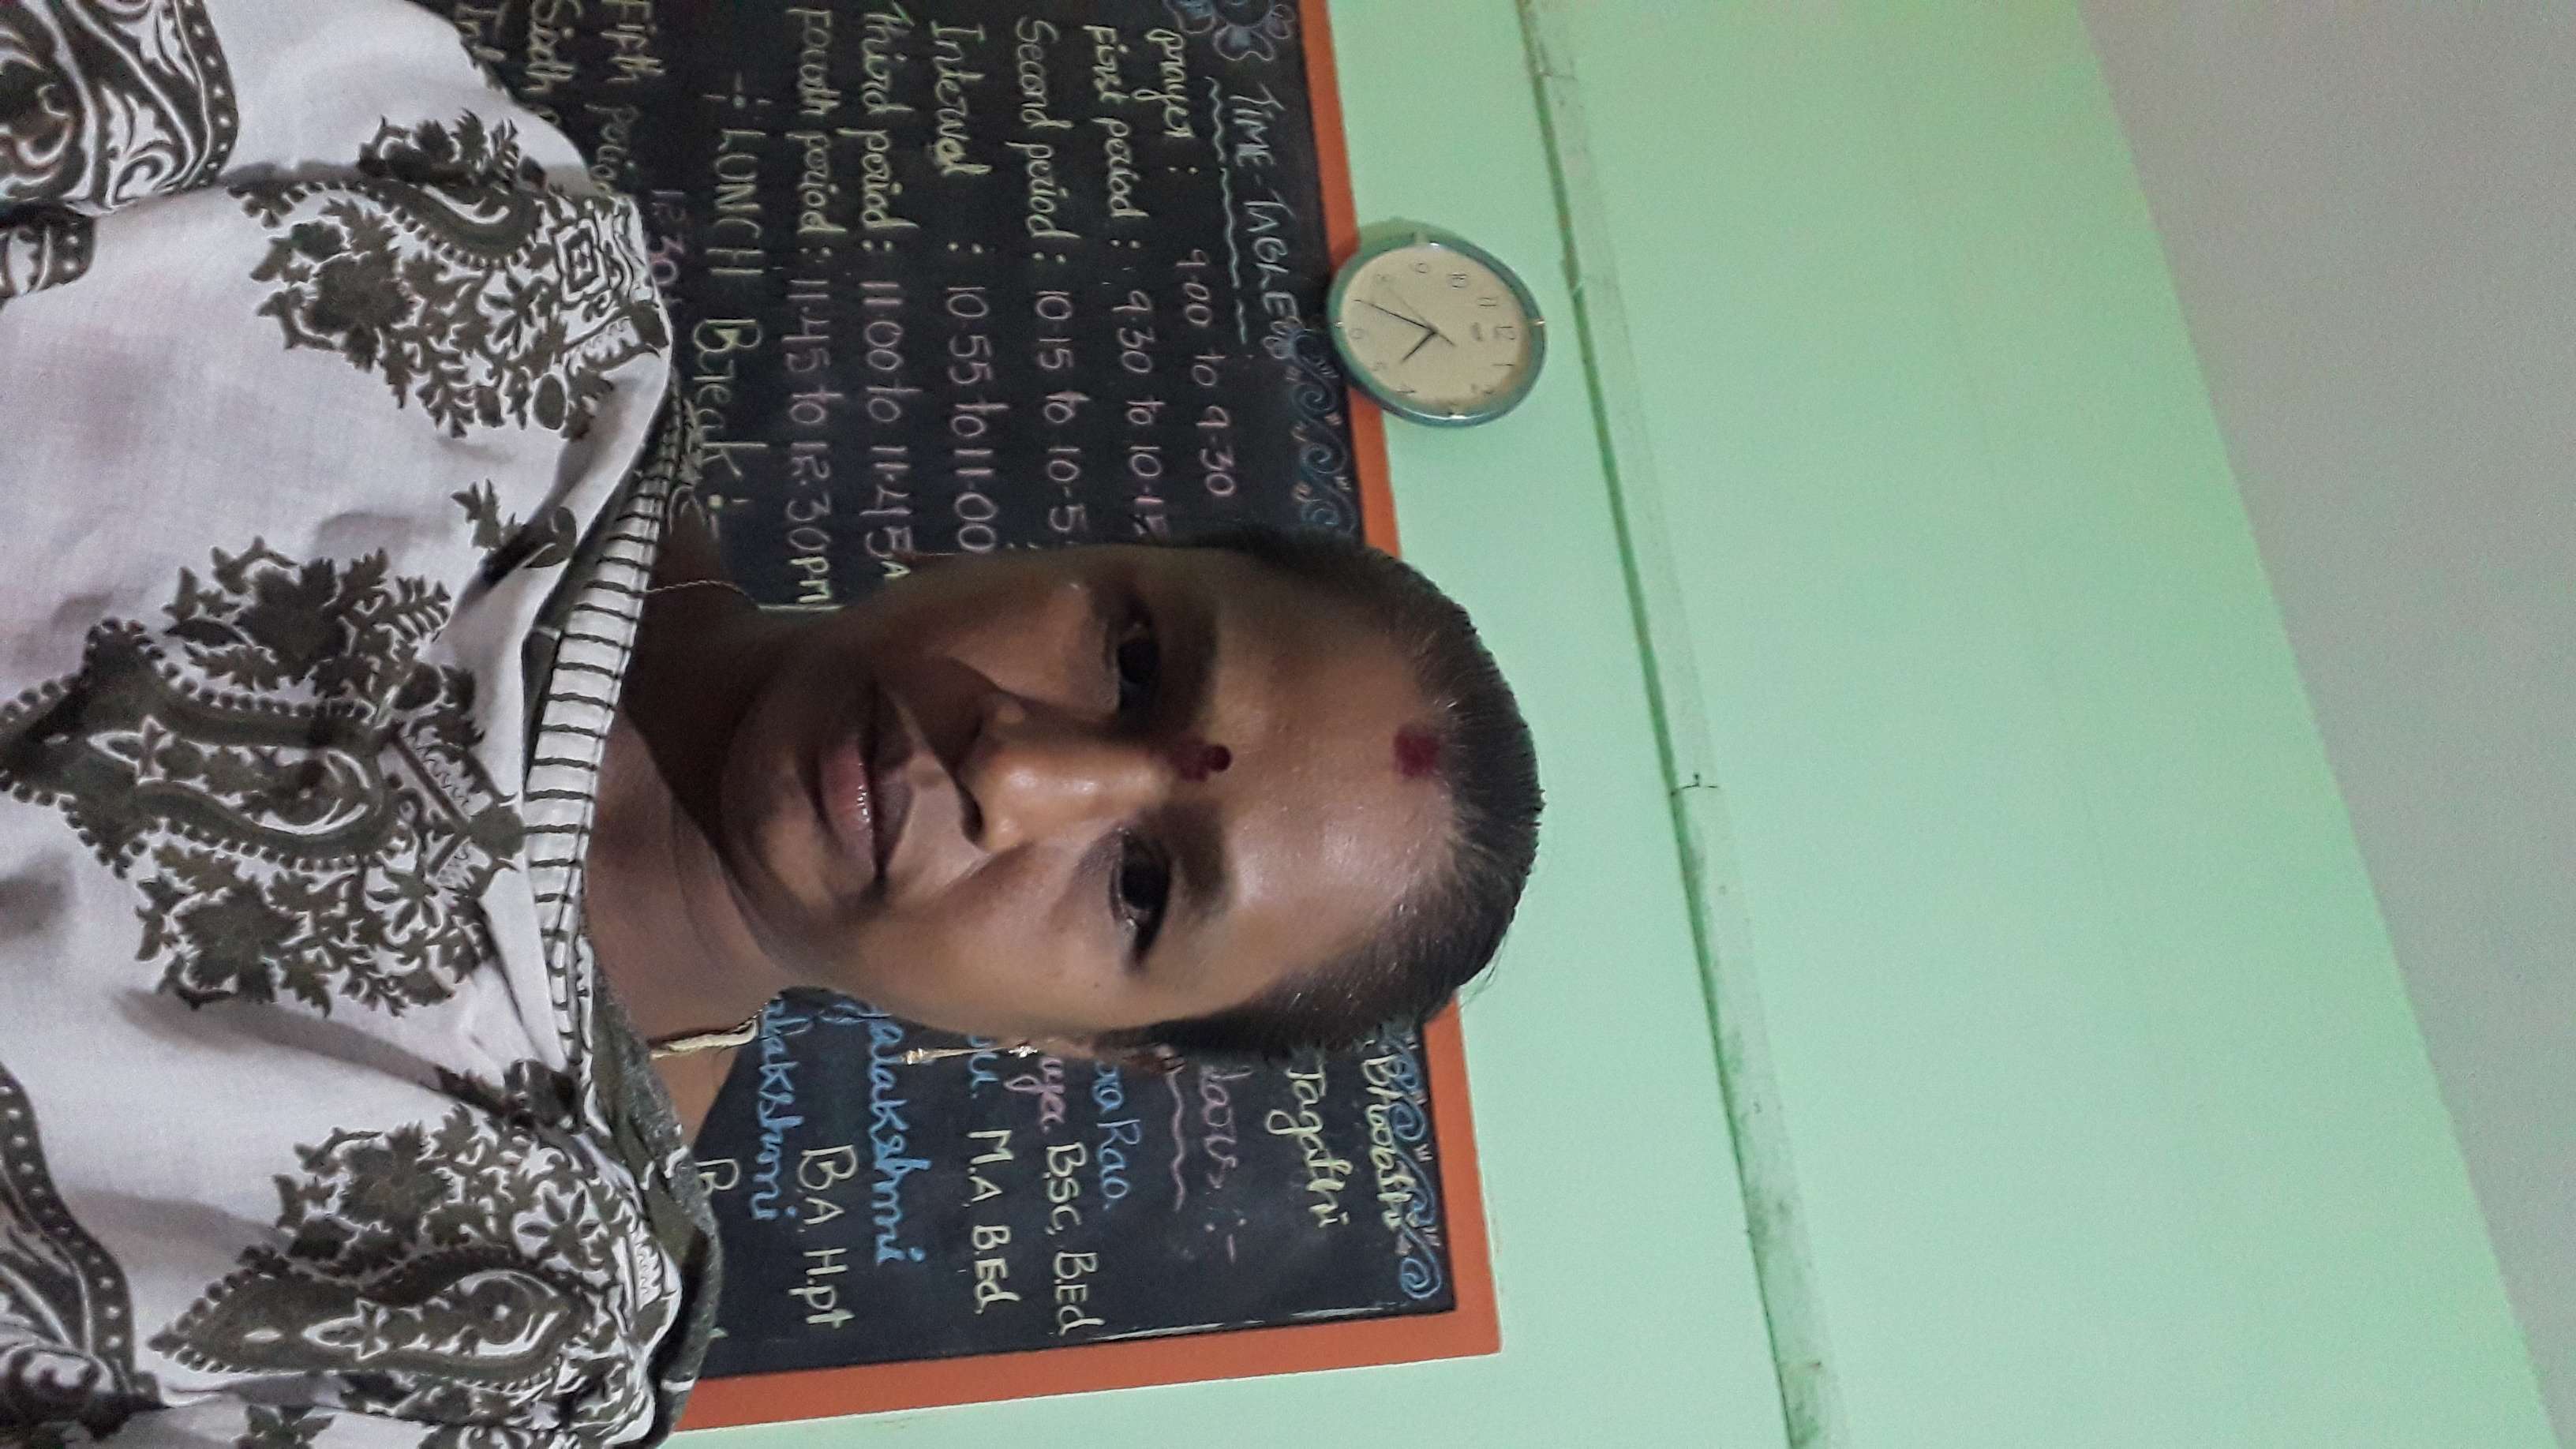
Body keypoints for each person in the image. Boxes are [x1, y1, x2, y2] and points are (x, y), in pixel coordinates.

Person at [0, 1, 1539, 1444]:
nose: (1016, 771)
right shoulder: (477, 252)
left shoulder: (501, 1317)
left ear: (1072, 1044)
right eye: (1133, 663)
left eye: (1142, 887)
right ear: (1045, 548)